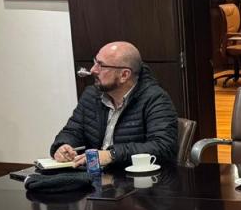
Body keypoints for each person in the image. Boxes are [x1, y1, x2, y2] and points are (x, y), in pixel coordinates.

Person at [51, 41, 179, 170]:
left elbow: (163, 147)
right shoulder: (91, 95)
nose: (93, 70)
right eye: (95, 62)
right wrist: (63, 146)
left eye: (101, 65)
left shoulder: (155, 99)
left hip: (132, 177)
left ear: (124, 75)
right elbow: (73, 130)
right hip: (93, 174)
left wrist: (112, 155)